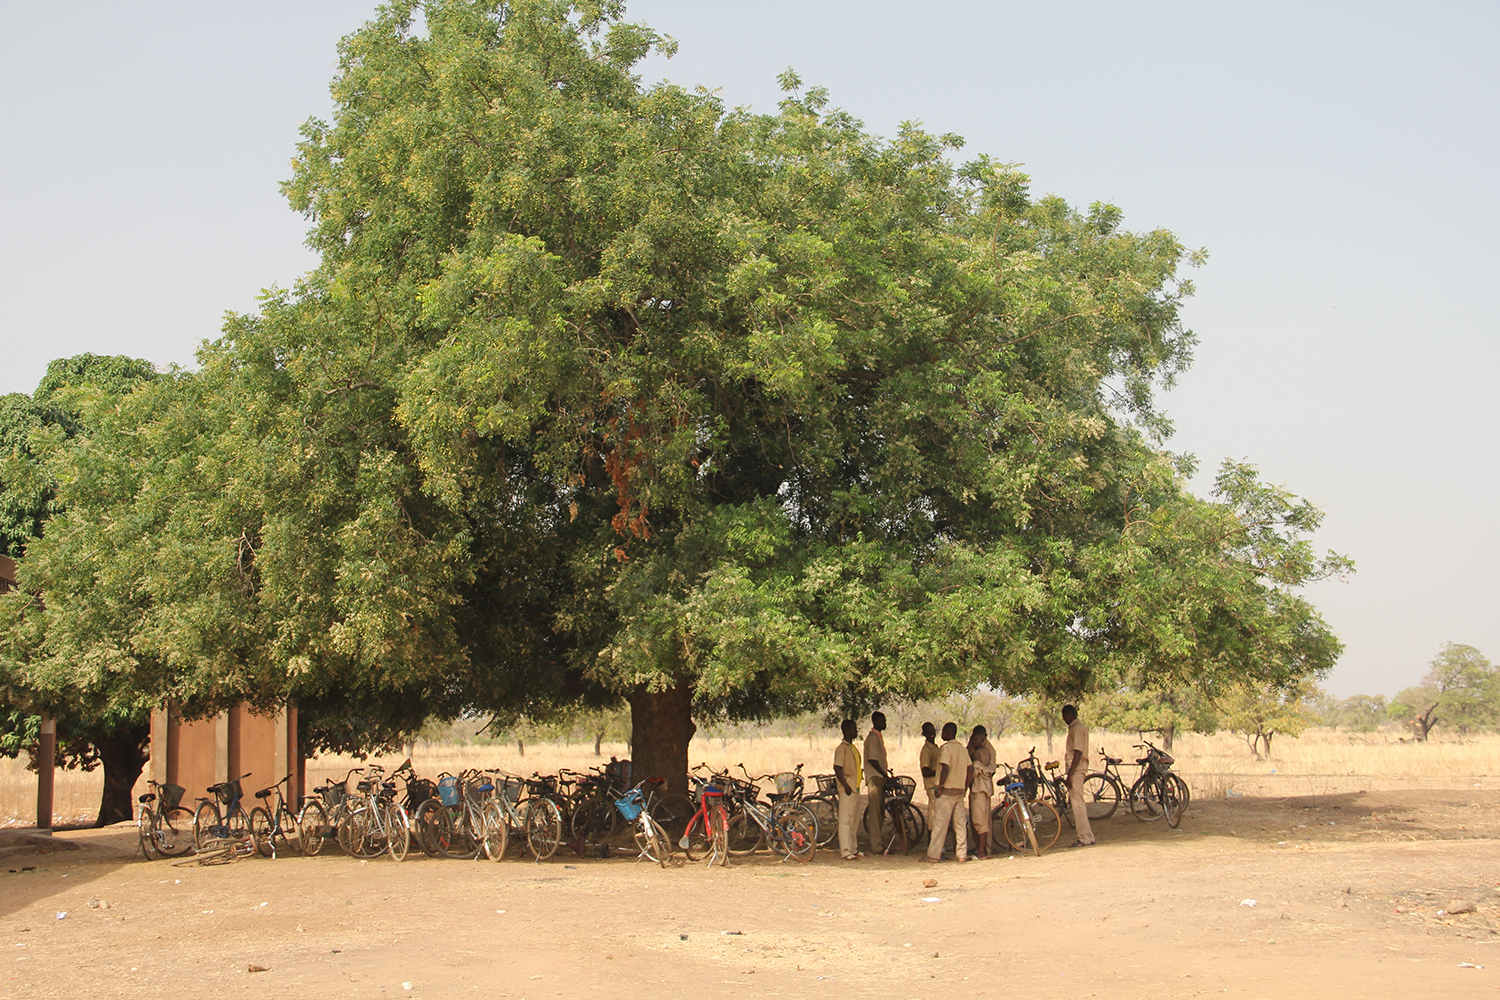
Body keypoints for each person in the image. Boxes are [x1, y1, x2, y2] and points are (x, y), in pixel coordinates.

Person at [922, 722, 971, 863]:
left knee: (940, 824)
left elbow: (945, 768)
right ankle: (961, 854)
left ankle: (933, 855)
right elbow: (970, 769)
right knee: (960, 824)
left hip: (947, 791)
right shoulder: (963, 749)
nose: (941, 735)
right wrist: (965, 786)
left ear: (949, 733)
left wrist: (940, 786)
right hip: (959, 790)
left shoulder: (946, 749)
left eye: (943, 732)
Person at [1062, 704, 1095, 847]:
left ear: (1069, 715)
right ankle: (1087, 835)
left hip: (1076, 770)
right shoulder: (1078, 728)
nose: (1064, 720)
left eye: (1064, 717)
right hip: (1076, 769)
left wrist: (1070, 774)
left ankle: (1085, 837)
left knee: (1077, 804)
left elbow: (1078, 752)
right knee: (1077, 802)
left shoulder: (1077, 729)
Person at [833, 719, 864, 860]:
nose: (855, 731)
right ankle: (845, 850)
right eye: (853, 729)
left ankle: (853, 848)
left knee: (854, 820)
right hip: (847, 788)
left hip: (855, 788)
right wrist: (845, 785)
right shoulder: (842, 748)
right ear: (846, 731)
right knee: (845, 820)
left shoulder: (852, 748)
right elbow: (837, 767)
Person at [967, 725, 997, 859]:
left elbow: (973, 769)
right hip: (984, 787)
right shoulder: (982, 749)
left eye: (975, 739)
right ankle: (982, 847)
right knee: (982, 818)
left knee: (980, 820)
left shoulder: (980, 753)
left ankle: (982, 850)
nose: (973, 742)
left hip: (979, 788)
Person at [864, 711, 889, 853]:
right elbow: (873, 760)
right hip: (875, 778)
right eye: (882, 721)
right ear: (876, 722)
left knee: (880, 812)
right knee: (874, 813)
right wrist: (884, 774)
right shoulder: (872, 738)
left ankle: (878, 842)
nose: (884, 724)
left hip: (880, 778)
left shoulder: (878, 738)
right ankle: (876, 846)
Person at [918, 722, 940, 833]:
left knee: (938, 814)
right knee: (933, 814)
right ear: (924, 733)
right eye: (929, 731)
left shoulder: (935, 747)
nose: (932, 733)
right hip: (931, 786)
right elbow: (925, 771)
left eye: (933, 731)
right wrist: (939, 772)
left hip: (937, 785)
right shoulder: (926, 750)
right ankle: (931, 840)